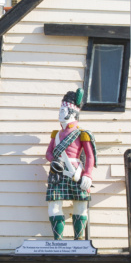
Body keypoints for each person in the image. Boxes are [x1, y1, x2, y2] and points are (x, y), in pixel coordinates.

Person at [45, 88, 96, 240]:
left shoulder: (82, 134)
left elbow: (90, 156)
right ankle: (58, 240)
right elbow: (48, 153)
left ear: (72, 113)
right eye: (60, 110)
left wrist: (87, 174)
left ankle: (79, 239)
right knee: (53, 205)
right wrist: (53, 161)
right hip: (57, 173)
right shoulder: (56, 135)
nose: (60, 114)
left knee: (80, 205)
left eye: (63, 110)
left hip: (75, 173)